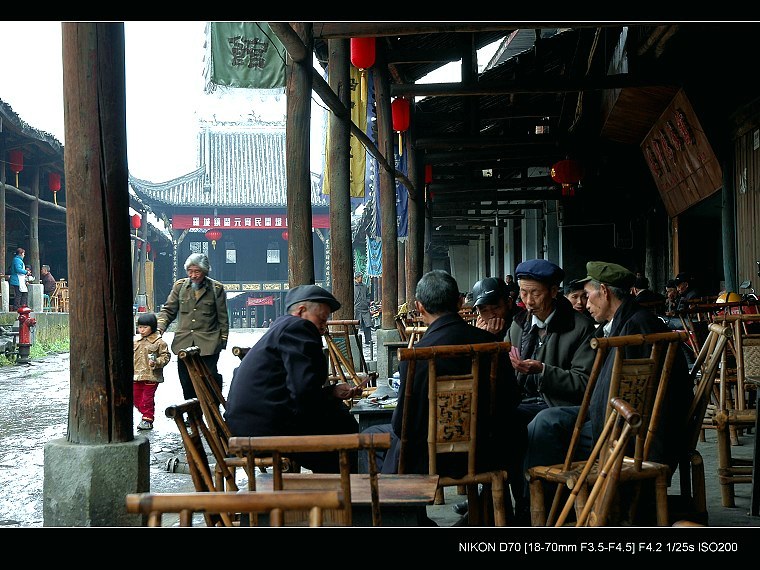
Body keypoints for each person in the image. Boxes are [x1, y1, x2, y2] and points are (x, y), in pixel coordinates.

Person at [522, 261, 691, 523]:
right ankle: (549, 510)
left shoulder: (636, 328)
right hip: (615, 420)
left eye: (588, 296)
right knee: (545, 421)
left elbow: (634, 395)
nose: (585, 304)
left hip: (631, 431)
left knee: (544, 426)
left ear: (605, 291)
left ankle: (544, 514)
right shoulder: (625, 323)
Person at [363, 270, 521, 479]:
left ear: (419, 307)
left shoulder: (416, 356)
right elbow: (512, 400)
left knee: (369, 437)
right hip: (486, 454)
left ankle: (395, 508)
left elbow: (402, 425)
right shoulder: (493, 346)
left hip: (429, 459)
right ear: (460, 302)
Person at [225, 284, 363, 473]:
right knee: (346, 435)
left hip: (251, 423)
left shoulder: (281, 327)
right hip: (265, 428)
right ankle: (349, 495)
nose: (323, 326)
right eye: (321, 318)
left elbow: (300, 388)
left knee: (339, 419)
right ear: (301, 311)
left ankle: (340, 492)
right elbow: (303, 392)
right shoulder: (298, 326)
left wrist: (331, 392)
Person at [156, 253, 229, 401]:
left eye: (197, 271)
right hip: (184, 341)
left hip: (208, 342)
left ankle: (213, 406)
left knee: (210, 377)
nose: (193, 275)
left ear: (205, 271)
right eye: (190, 271)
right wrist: (159, 328)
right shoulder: (180, 286)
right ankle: (193, 413)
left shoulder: (216, 288)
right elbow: (168, 310)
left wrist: (222, 341)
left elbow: (222, 317)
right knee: (186, 381)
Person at [133, 312, 170, 430]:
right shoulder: (136, 341)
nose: (142, 330)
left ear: (152, 327)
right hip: (137, 375)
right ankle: (145, 412)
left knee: (147, 398)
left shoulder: (159, 342)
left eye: (145, 327)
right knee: (135, 397)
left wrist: (157, 362)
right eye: (140, 327)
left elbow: (166, 356)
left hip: (151, 375)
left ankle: (147, 418)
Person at [354, 271, 373, 346]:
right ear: (356, 278)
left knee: (367, 325)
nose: (361, 278)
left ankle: (368, 340)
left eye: (361, 277)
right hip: (357, 308)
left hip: (365, 308)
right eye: (360, 277)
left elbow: (368, 295)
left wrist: (367, 302)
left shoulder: (364, 286)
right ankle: (355, 339)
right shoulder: (353, 286)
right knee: (356, 325)